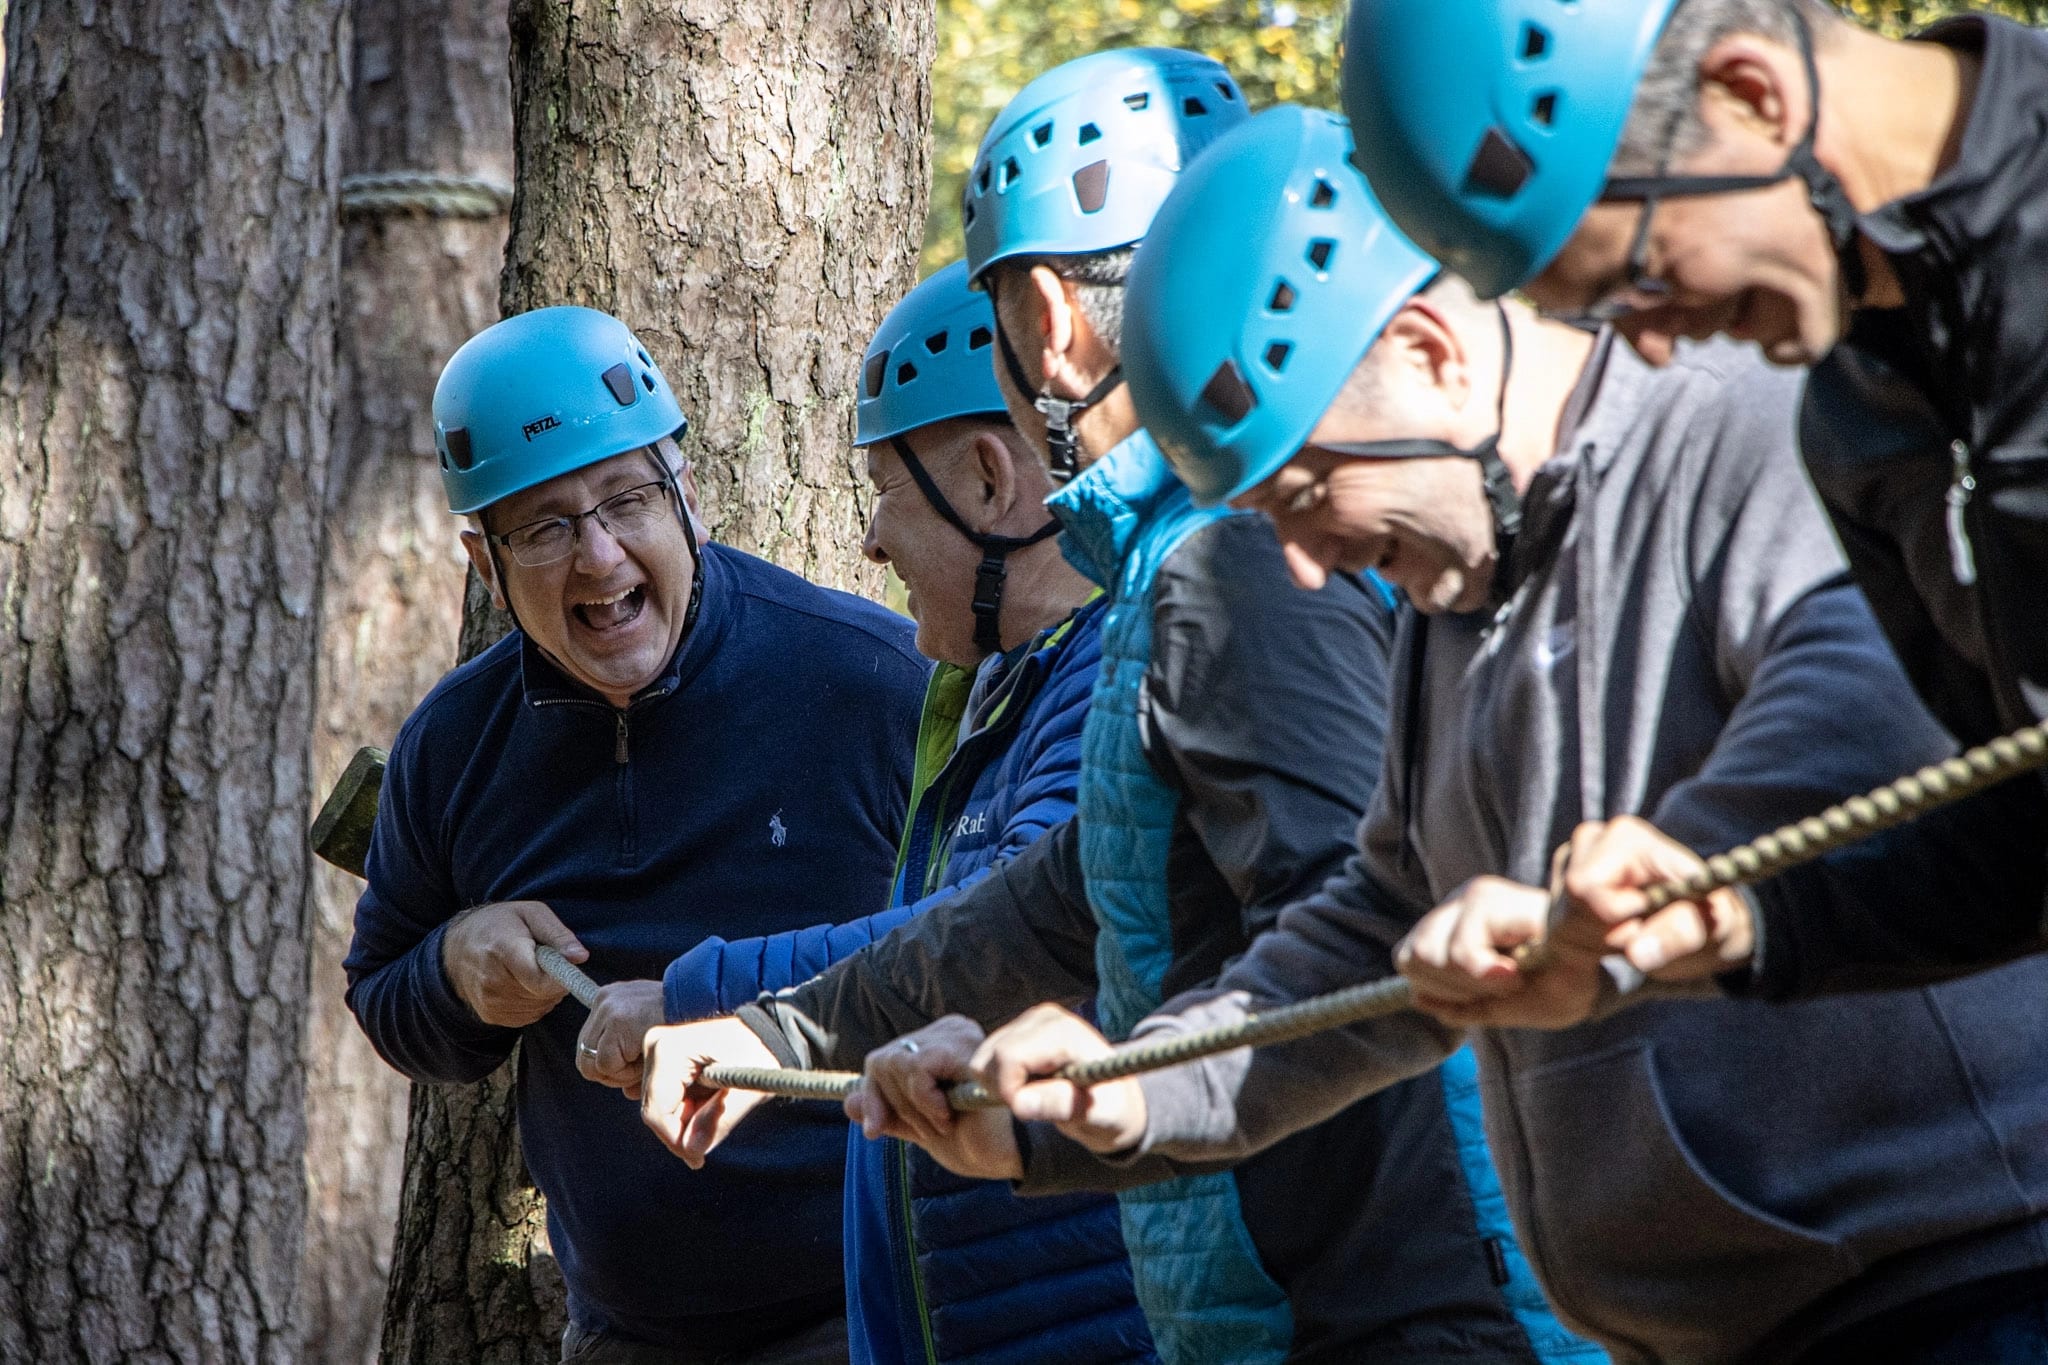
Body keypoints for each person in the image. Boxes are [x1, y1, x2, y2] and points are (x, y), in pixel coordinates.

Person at [940, 104, 2048, 1365]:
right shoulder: (1451, 590)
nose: (1301, 564)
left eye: (1304, 493)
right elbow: (1374, 922)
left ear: (1427, 352)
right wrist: (1134, 1088)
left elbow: (1868, 693)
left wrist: (1669, 868)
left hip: (1959, 1284)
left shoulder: (1732, 423)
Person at [642, 51, 1592, 1365]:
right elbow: (1079, 899)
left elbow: (1354, 958)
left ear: (1049, 318)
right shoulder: (1195, 562)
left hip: (1385, 1321)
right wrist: (782, 1027)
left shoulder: (1236, 558)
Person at [1334, 0, 2048, 996]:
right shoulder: (1855, 411)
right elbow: (2020, 838)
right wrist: (1735, 921)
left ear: (1750, 96)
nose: (1658, 346)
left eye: (1642, 278)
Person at [342, 305, 930, 1364]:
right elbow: (384, 994)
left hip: (872, 1311)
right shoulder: (456, 747)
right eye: (545, 527)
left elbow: (985, 944)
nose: (599, 555)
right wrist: (456, 971)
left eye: (626, 500)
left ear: (687, 500)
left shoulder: (871, 685)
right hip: (625, 1336)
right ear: (486, 565)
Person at [606, 263, 1155, 1365]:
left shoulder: (1105, 684)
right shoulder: (1002, 692)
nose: (868, 543)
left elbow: (998, 931)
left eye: (887, 490)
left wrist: (699, 993)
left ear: (990, 481)